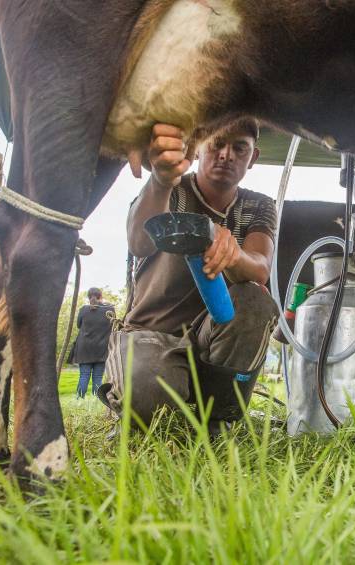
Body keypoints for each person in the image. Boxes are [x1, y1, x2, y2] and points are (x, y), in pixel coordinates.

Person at [99, 118, 279, 430]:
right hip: (150, 334)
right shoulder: (171, 188)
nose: (226, 155)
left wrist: (233, 253)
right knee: (147, 398)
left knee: (255, 298)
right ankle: (138, 395)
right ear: (197, 148)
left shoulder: (259, 205)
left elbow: (261, 267)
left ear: (253, 157)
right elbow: (139, 242)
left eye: (240, 148)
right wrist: (160, 180)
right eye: (217, 144)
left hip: (212, 340)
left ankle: (217, 420)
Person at [73, 287, 115, 398]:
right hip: (102, 348)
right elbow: (113, 325)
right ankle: (97, 400)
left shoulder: (83, 309)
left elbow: (78, 325)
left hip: (84, 348)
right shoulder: (110, 309)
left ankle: (79, 400)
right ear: (101, 296)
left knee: (84, 375)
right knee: (98, 377)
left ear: (88, 297)